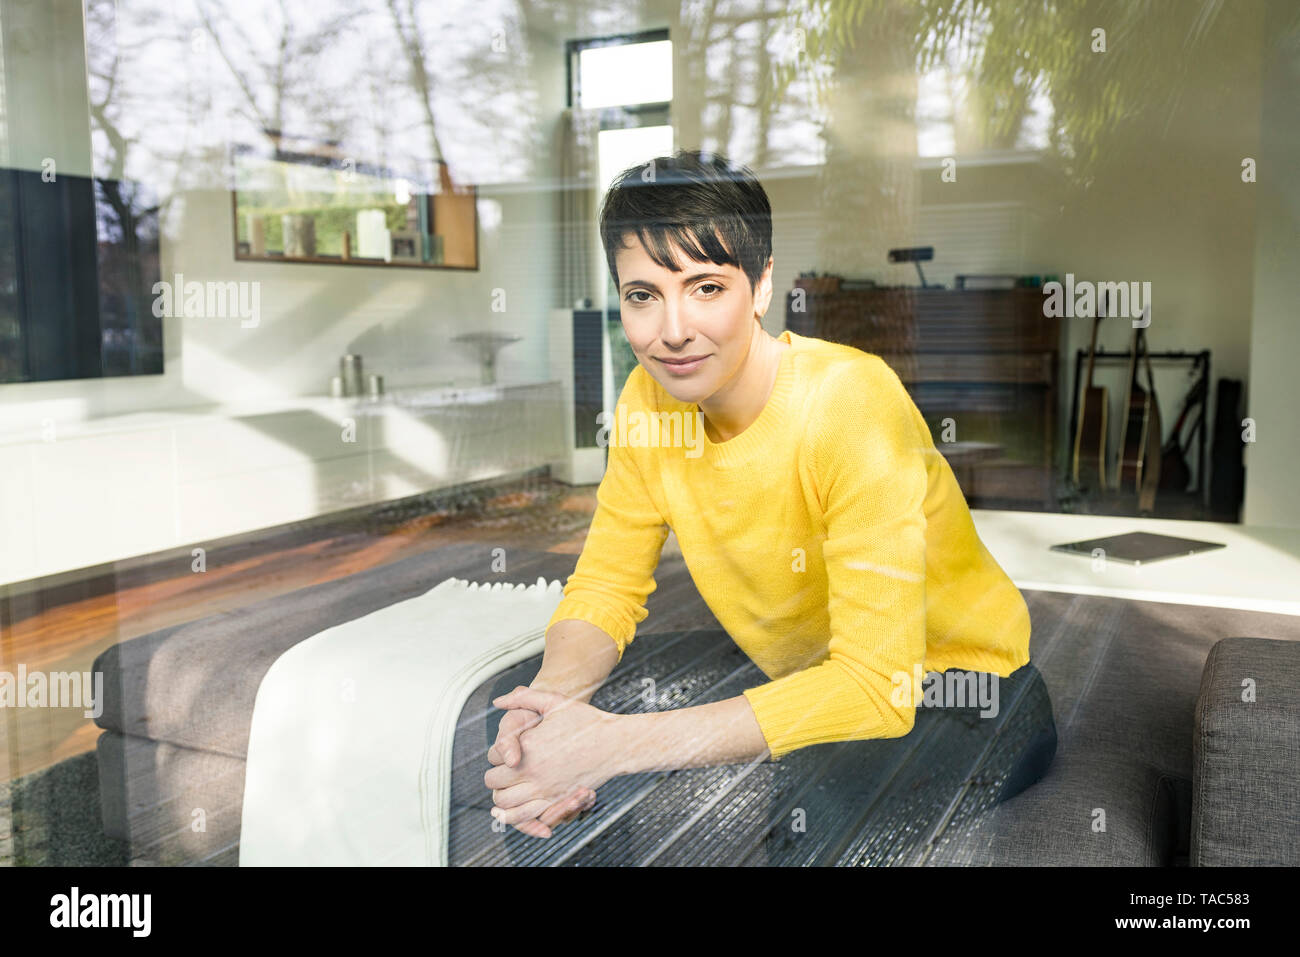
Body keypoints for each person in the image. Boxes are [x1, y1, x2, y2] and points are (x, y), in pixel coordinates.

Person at [482, 149, 1055, 844]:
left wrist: (614, 744)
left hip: (965, 688)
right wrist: (553, 703)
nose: (671, 330)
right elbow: (604, 584)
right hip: (806, 670)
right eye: (642, 295)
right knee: (519, 723)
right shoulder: (646, 401)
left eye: (705, 287)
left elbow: (877, 688)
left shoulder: (850, 400)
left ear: (760, 286)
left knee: (810, 817)